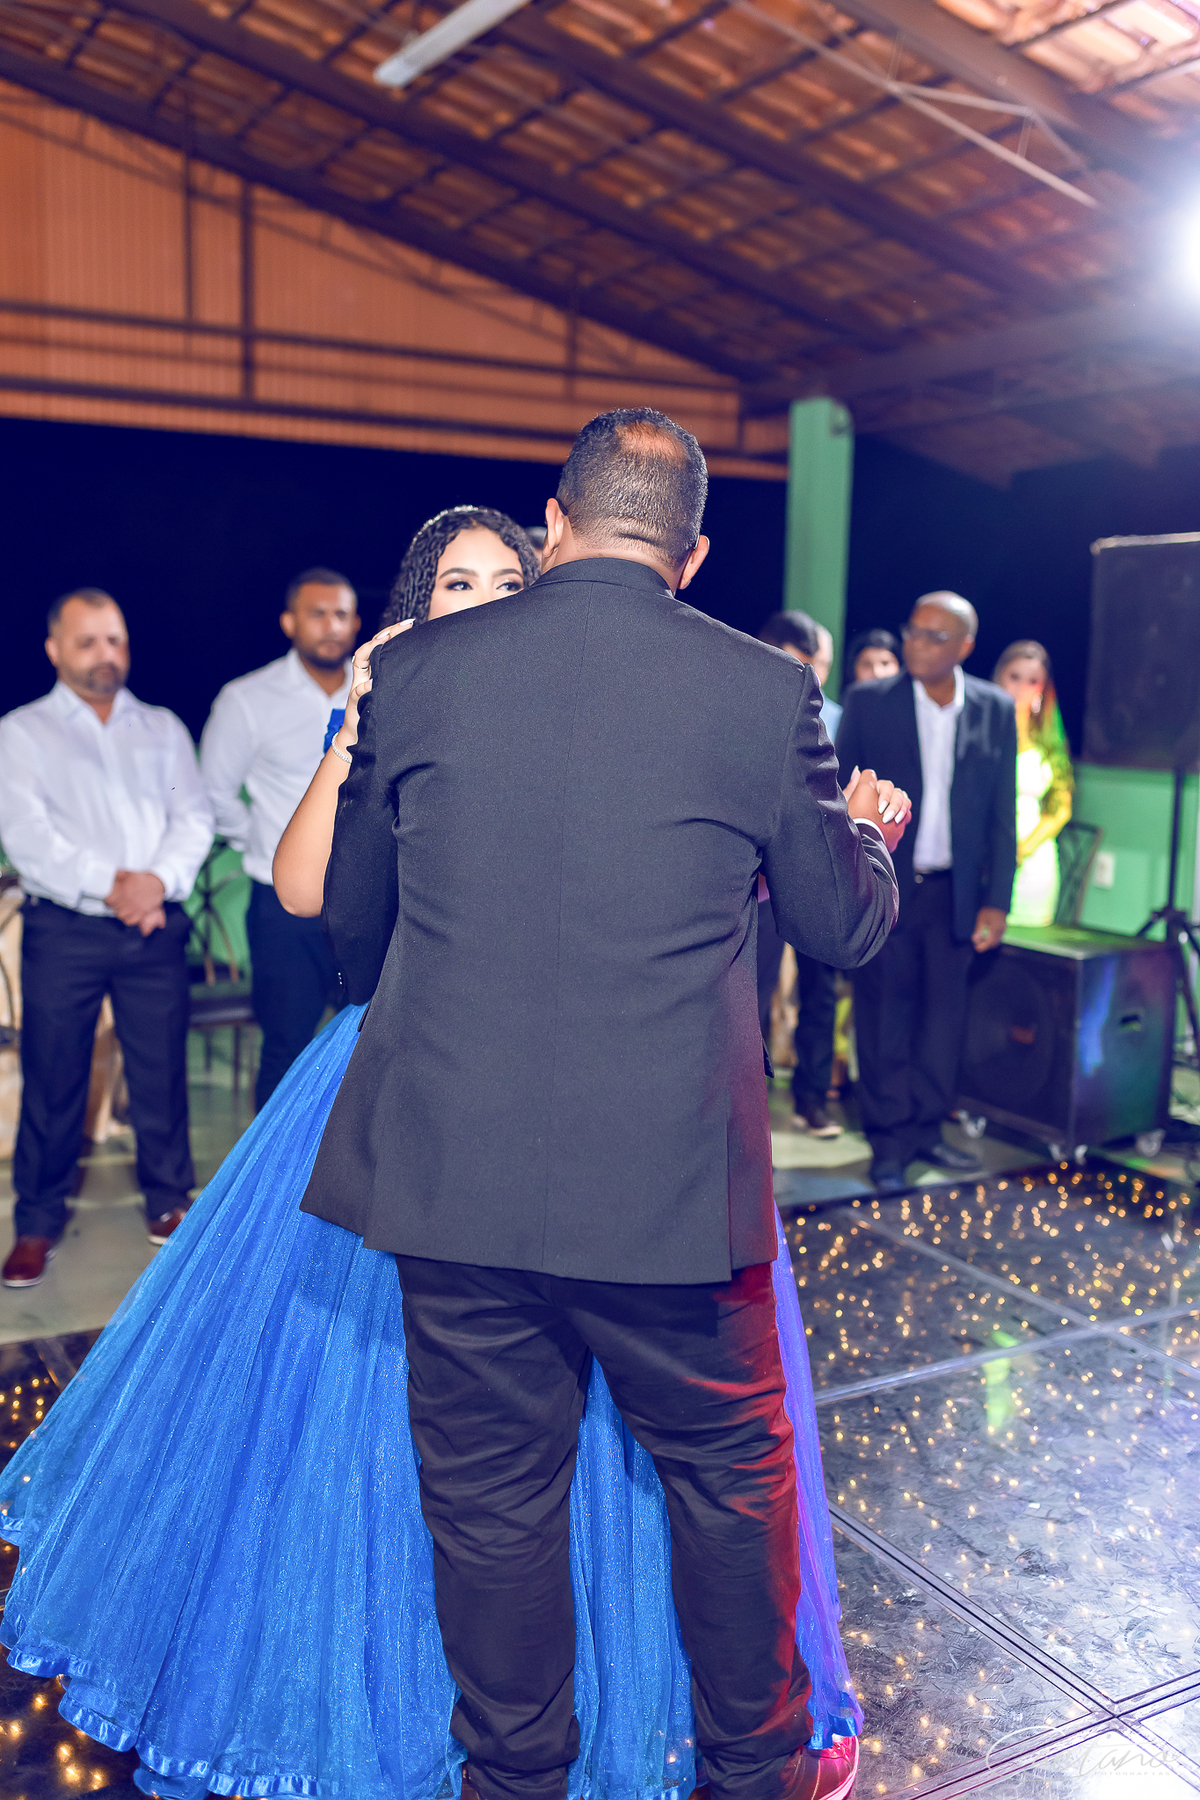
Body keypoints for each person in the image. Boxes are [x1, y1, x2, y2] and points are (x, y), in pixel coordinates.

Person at [0, 500, 882, 1800]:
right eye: (458, 584)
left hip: (573, 1121)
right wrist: (358, 726)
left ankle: (569, 1738)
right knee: (408, 1451)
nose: (483, 601)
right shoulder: (402, 696)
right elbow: (313, 895)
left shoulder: (569, 703)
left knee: (555, 1467)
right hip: (414, 1086)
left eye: (506, 579)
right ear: (418, 601)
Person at [302, 408, 910, 1800]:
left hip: (455, 1186)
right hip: (670, 1203)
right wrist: (872, 839)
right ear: (690, 556)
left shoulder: (418, 675)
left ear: (554, 522)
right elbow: (840, 929)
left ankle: (514, 1779)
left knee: (491, 1511)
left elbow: (352, 930)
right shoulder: (766, 691)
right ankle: (754, 1771)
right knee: (729, 1485)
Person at [0, 588, 213, 1286]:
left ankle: (168, 1201)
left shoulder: (162, 727)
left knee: (161, 1072)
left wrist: (157, 883)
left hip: (153, 927)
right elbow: (28, 836)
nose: (106, 654)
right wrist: (118, 885)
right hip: (65, 929)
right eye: (87, 641)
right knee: (53, 1075)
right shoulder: (22, 732)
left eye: (115, 639)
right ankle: (36, 1221)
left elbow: (194, 819)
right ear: (54, 649)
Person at [836, 590, 1017, 1195]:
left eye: (932, 635)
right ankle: (888, 1141)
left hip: (955, 894)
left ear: (965, 647)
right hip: (885, 888)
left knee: (944, 1022)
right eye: (911, 630)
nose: (914, 643)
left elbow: (1003, 814)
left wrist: (998, 901)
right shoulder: (870, 702)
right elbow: (835, 797)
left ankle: (926, 1130)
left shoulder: (994, 708)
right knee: (884, 1018)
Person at [199, 567, 359, 1108]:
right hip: (284, 911)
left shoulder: (379, 687)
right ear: (290, 622)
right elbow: (215, 794)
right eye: (318, 614)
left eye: (342, 614)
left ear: (356, 622)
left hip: (362, 899)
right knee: (287, 1050)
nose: (332, 625)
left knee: (366, 1049)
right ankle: (271, 1166)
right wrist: (268, 847)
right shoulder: (248, 698)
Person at [754, 612, 843, 1137]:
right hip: (754, 883)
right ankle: (748, 1107)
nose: (811, 676)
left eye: (820, 665)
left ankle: (809, 1100)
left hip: (812, 874)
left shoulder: (839, 716)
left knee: (818, 990)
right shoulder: (744, 704)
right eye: (800, 663)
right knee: (750, 992)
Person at [992, 641, 1073, 928]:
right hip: (989, 857)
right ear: (999, 677)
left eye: (1033, 681)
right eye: (1014, 677)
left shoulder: (1049, 738)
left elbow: (1060, 808)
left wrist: (1023, 849)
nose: (1021, 688)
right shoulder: (980, 732)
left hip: (1034, 859)